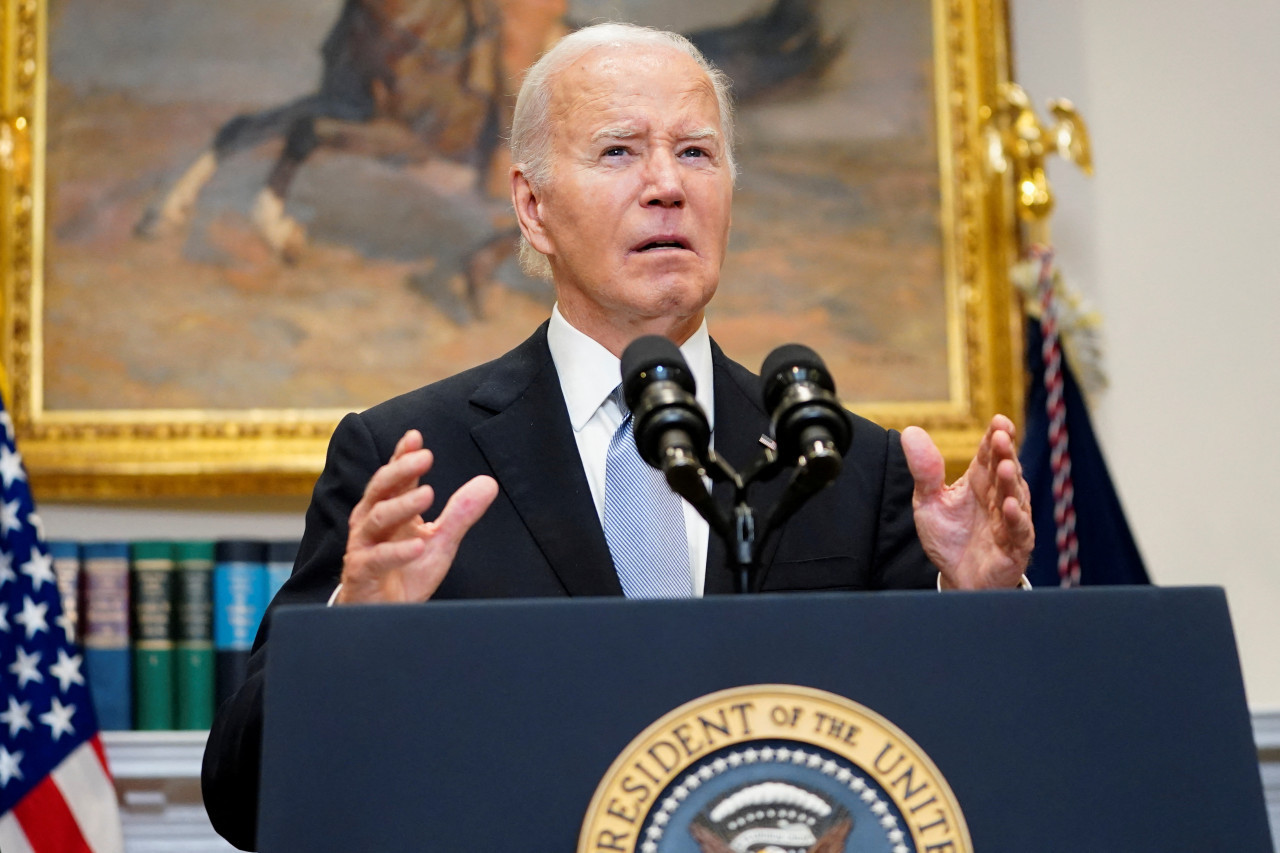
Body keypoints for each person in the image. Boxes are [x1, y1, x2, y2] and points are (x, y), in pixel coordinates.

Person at [201, 22, 1033, 850]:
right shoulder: (412, 459)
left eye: (697, 154)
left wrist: (982, 609)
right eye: (619, 152)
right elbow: (244, 800)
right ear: (533, 207)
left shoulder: (846, 465)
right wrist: (352, 637)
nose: (667, 185)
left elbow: (973, 771)